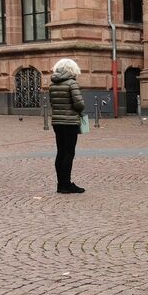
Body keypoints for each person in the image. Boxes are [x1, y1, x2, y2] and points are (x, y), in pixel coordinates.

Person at [48, 58, 86, 194]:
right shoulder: (72, 83)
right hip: (70, 122)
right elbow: (79, 104)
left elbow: (52, 103)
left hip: (57, 122)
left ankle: (61, 184)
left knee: (61, 152)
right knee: (69, 153)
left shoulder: (52, 84)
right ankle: (66, 184)